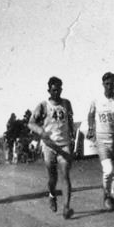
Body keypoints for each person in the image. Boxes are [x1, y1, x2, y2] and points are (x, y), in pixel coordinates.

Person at [28, 76, 75, 219]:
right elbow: (31, 123)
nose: (56, 92)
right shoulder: (43, 105)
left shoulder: (66, 103)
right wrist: (40, 131)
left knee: (65, 174)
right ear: (49, 90)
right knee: (52, 178)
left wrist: (72, 137)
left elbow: (70, 121)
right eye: (54, 90)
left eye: (59, 89)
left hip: (64, 143)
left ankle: (66, 207)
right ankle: (52, 194)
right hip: (49, 145)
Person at [87, 72, 114, 211]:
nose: (109, 86)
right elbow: (90, 114)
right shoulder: (96, 100)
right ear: (103, 84)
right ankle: (106, 195)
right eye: (107, 84)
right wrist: (91, 127)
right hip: (102, 140)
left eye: (112, 84)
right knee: (108, 170)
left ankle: (113, 197)